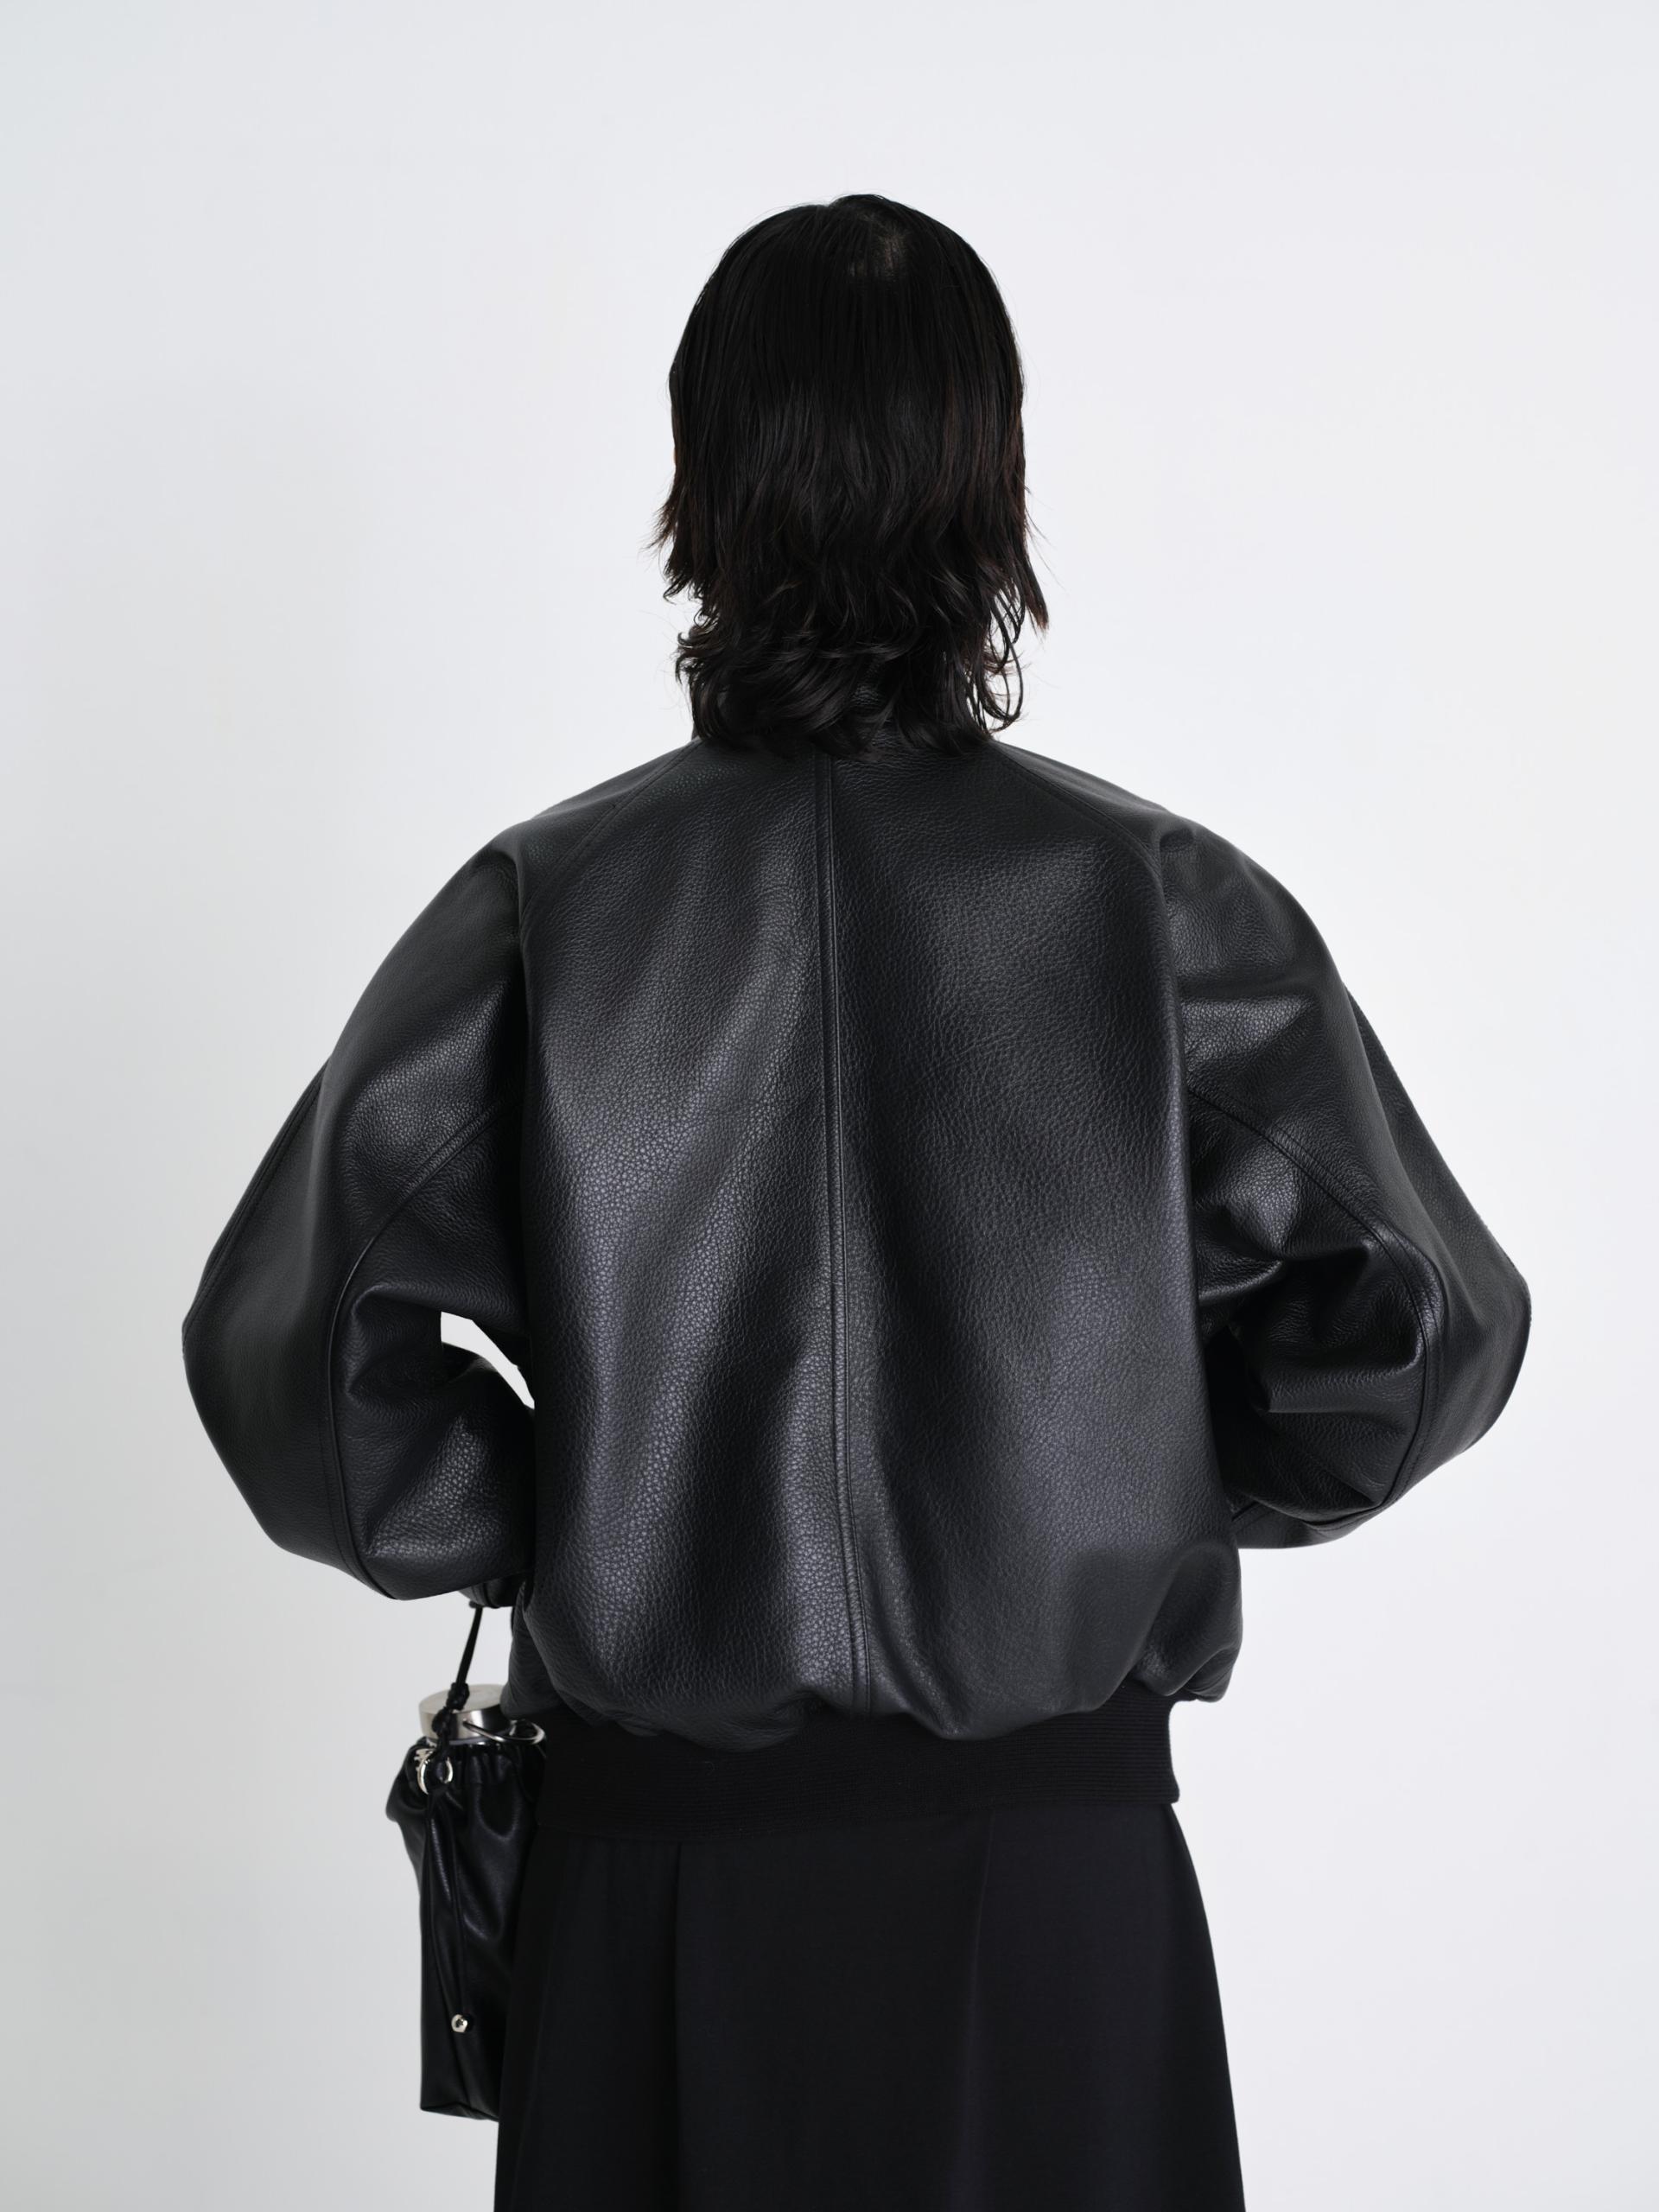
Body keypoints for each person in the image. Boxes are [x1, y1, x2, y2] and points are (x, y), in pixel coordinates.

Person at [180, 194, 1531, 2211]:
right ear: (994, 482)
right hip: (1053, 1898)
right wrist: (1134, 1465)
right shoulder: (1158, 905)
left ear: (702, 482)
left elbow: (291, 1360)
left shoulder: (550, 907)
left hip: (662, 1894)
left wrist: (560, 1506)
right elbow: (1426, 1325)